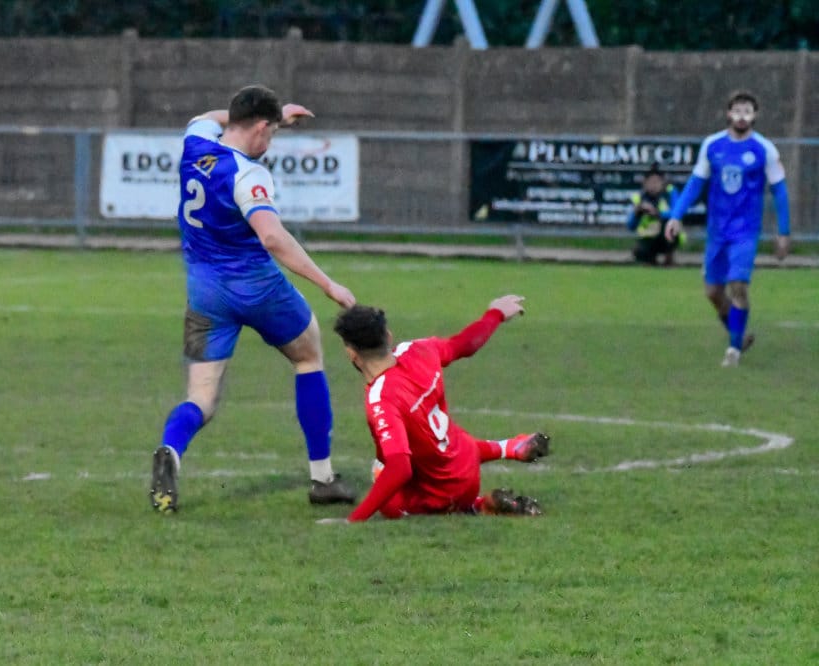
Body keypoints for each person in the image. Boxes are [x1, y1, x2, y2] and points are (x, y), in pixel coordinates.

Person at [150, 84, 357, 513]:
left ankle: (170, 450)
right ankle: (322, 478)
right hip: (258, 288)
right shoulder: (249, 175)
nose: (272, 140)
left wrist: (275, 113)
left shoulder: (195, 143)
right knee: (308, 356)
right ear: (260, 128)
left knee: (201, 398)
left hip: (205, 294)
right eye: (273, 132)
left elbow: (210, 116)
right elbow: (272, 238)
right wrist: (328, 284)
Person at [327, 296, 550, 523]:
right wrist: (495, 314)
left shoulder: (381, 400)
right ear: (389, 336)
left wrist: (351, 521)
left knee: (383, 474)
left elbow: (400, 468)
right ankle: (508, 447)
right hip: (465, 456)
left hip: (445, 490)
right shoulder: (416, 349)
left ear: (351, 353)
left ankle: (477, 505)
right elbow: (464, 345)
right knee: (433, 442)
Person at [665, 90, 790, 367]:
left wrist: (784, 232)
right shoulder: (712, 145)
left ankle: (733, 350)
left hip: (745, 231)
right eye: (737, 110)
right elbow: (695, 183)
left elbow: (779, 191)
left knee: (738, 286)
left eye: (747, 111)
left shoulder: (764, 149)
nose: (742, 116)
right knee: (713, 292)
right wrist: (676, 215)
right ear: (728, 113)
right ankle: (738, 335)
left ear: (755, 116)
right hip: (717, 230)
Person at [626, 163, 683, 266]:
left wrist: (657, 213)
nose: (653, 186)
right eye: (651, 182)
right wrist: (637, 213)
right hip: (649, 237)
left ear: (662, 182)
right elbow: (630, 226)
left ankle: (669, 258)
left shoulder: (669, 193)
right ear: (645, 183)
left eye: (656, 182)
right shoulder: (640, 198)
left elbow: (677, 213)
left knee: (669, 226)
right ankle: (650, 260)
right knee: (640, 251)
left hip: (665, 237)